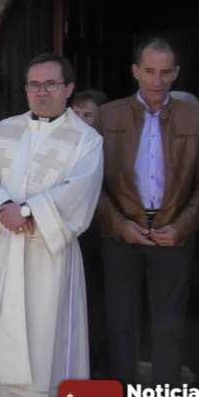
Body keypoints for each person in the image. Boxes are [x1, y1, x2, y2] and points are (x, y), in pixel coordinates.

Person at [0, 54, 103, 397]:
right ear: (25, 89)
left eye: (50, 84)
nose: (41, 92)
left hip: (47, 256)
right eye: (34, 85)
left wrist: (25, 212)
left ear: (68, 88)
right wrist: (1, 205)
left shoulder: (85, 139)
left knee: (43, 335)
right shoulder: (4, 129)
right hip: (3, 248)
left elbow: (79, 190)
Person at [96, 37, 199, 397]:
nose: (157, 80)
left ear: (177, 73)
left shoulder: (196, 118)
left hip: (172, 236)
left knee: (169, 331)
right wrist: (119, 224)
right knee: (120, 327)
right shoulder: (108, 116)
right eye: (149, 71)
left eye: (166, 72)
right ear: (135, 71)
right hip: (121, 235)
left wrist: (182, 227)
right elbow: (90, 182)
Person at [70, 89, 109, 377]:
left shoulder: (104, 147)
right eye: (76, 113)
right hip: (67, 236)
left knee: (93, 306)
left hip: (97, 236)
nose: (80, 120)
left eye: (88, 115)